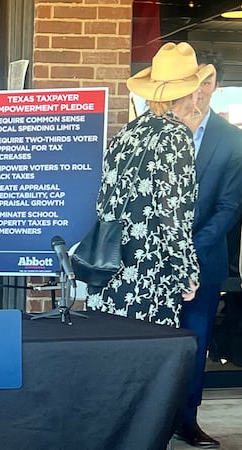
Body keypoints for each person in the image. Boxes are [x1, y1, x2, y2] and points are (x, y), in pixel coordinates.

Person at [85, 42, 207, 327]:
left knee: (111, 342)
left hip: (110, 261)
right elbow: (172, 211)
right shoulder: (176, 135)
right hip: (149, 269)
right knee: (150, 347)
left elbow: (104, 199)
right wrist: (186, 271)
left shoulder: (128, 131)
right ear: (191, 92)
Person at [172, 49, 242, 449]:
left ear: (217, 86)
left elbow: (229, 207)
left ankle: (187, 420)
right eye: (193, 80)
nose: (199, 90)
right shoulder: (159, 130)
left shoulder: (232, 139)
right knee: (154, 340)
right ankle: (150, 419)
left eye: (208, 82)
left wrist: (188, 250)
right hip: (152, 261)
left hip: (203, 259)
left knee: (195, 343)